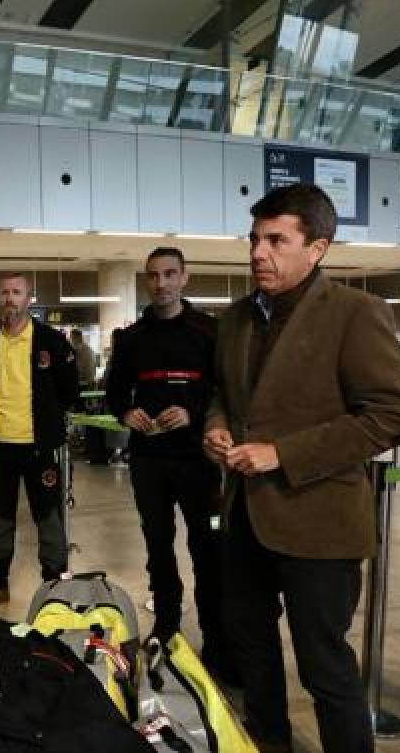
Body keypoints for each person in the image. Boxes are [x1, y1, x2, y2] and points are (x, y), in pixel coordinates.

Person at [203, 184, 400, 753]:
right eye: (254, 238)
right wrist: (216, 427)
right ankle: (269, 740)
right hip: (245, 518)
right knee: (251, 647)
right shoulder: (234, 320)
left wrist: (284, 453)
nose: (257, 252)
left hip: (319, 524)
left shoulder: (355, 314)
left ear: (317, 247)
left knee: (324, 668)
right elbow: (224, 396)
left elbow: (392, 414)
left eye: (276, 239)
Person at [106, 247, 230, 676]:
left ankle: (216, 637)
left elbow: (224, 392)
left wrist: (193, 414)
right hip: (149, 461)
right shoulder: (131, 339)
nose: (161, 283)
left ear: (185, 278)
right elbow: (115, 392)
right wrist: (126, 413)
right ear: (146, 281)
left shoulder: (209, 333)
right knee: (158, 545)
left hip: (197, 459)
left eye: (169, 274)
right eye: (153, 276)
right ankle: (167, 624)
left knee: (206, 547)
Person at [0, 272, 79, 609]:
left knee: (49, 517)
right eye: (4, 293)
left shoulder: (51, 341)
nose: (10, 298)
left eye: (17, 292)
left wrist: (49, 419)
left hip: (40, 449)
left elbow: (70, 389)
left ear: (29, 298)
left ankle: (55, 588)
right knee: (0, 517)